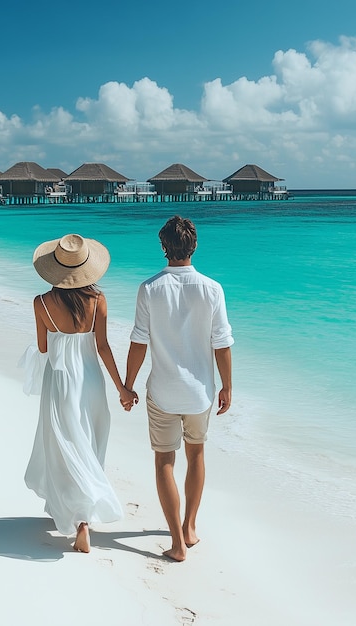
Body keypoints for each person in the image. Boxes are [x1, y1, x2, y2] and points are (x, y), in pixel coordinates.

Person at [124, 216, 234, 562]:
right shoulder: (212, 288)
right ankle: (189, 527)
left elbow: (139, 341)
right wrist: (227, 386)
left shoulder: (149, 288)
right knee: (196, 454)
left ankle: (176, 542)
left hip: (163, 391)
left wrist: (127, 385)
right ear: (195, 245)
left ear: (163, 248)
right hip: (200, 391)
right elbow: (222, 344)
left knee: (164, 462)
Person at [20, 234, 135, 553]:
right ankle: (81, 513)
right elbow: (103, 347)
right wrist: (123, 388)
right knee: (89, 443)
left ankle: (78, 516)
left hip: (59, 381)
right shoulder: (98, 300)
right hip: (91, 381)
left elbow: (44, 347)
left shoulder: (40, 303)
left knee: (65, 447)